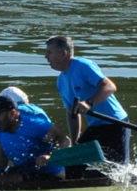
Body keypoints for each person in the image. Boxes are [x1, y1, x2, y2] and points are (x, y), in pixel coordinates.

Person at [43, 34, 130, 163]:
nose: (46, 56)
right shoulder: (61, 81)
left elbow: (110, 86)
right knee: (74, 162)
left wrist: (89, 103)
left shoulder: (82, 65)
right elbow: (72, 113)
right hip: (96, 126)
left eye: (49, 52)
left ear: (63, 53)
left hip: (115, 123)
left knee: (120, 167)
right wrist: (74, 141)